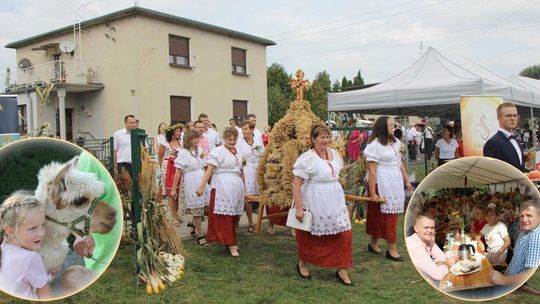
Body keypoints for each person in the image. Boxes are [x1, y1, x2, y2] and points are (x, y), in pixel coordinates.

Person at [292, 124, 353, 285]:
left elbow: (337, 177)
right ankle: (302, 263)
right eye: (322, 137)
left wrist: (343, 201)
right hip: (315, 198)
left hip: (334, 198)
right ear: (313, 139)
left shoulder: (334, 154)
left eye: (327, 137)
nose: (326, 140)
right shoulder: (308, 158)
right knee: (309, 234)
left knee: (344, 233)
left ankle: (342, 268)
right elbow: (296, 184)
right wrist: (299, 208)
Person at [364, 116, 413, 261]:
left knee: (387, 215)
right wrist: (373, 193)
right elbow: (372, 171)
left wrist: (407, 180)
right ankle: (392, 248)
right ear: (382, 127)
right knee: (382, 216)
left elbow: (400, 163)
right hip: (381, 182)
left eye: (393, 124)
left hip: (394, 181)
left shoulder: (396, 142)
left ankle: (373, 243)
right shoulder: (375, 145)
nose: (393, 127)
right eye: (390, 125)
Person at [196, 127, 245, 257]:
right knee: (225, 217)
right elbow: (209, 170)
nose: (232, 141)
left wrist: (244, 188)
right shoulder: (218, 151)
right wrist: (201, 187)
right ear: (224, 139)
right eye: (230, 139)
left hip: (236, 187)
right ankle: (231, 243)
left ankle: (229, 239)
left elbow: (241, 171)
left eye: (234, 139)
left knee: (234, 216)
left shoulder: (238, 152)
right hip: (222, 187)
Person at [0, 192, 53, 299]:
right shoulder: (31, 258)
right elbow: (47, 297)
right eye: (33, 228)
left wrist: (47, 276)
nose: (41, 233)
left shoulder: (3, 248)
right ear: (10, 230)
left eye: (43, 225)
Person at [490, 199, 540, 295]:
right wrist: (505, 274)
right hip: (510, 279)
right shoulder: (525, 231)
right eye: (522, 216)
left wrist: (503, 280)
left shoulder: (536, 236)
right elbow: (515, 261)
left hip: (516, 286)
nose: (524, 220)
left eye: (529, 215)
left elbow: (529, 274)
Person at [170, 129, 211, 246]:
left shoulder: (200, 150)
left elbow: (204, 167)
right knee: (197, 209)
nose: (196, 140)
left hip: (201, 178)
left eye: (197, 138)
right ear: (188, 140)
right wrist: (173, 189)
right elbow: (178, 172)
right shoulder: (183, 153)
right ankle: (199, 234)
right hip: (190, 180)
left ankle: (193, 225)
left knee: (203, 207)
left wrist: (205, 182)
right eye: (193, 138)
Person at [406, 214, 456, 283]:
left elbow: (441, 255)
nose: (429, 231)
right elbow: (438, 275)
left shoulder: (428, 239)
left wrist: (439, 264)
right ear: (416, 228)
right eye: (426, 227)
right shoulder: (415, 246)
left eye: (432, 228)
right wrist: (447, 264)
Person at [236, 121, 264, 233]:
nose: (244, 131)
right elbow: (238, 155)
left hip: (256, 171)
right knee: (246, 197)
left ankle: (252, 221)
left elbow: (263, 153)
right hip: (246, 170)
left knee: (255, 197)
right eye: (242, 129)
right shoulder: (239, 142)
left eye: (246, 129)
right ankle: (250, 222)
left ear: (252, 130)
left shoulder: (257, 140)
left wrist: (258, 151)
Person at [483, 102, 526, 172]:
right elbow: (490, 172)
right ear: (499, 118)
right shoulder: (493, 143)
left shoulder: (516, 140)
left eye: (515, 115)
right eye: (508, 116)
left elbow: (519, 167)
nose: (513, 118)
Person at [159, 124, 184, 225]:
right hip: (168, 168)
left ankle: (177, 213)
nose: (179, 133)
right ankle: (173, 216)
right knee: (171, 193)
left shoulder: (180, 142)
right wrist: (163, 167)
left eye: (179, 131)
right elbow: (160, 155)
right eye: (177, 131)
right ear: (172, 133)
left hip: (178, 168)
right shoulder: (165, 143)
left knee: (178, 192)